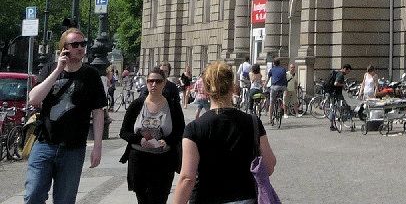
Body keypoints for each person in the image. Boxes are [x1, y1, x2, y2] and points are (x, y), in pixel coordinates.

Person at [172, 61, 276, 204]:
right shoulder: (252, 122)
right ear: (232, 87)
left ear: (207, 90)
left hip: (206, 198)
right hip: (245, 197)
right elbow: (269, 166)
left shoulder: (194, 128)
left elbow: (187, 179)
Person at [24, 27, 107, 204]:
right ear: (64, 48)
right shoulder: (50, 69)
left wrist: (98, 146)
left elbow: (98, 112)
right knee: (33, 195)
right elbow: (34, 99)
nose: (80, 48)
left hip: (73, 148)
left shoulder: (91, 75)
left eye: (83, 44)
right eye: (75, 44)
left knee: (65, 200)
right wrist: (58, 70)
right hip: (45, 143)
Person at [119, 67, 185, 204]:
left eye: (158, 81)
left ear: (164, 83)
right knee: (143, 200)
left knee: (159, 199)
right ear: (146, 82)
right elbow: (124, 132)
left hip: (164, 161)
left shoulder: (172, 105)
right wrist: (140, 139)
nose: (154, 84)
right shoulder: (137, 104)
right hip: (139, 159)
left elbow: (180, 131)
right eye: (150, 81)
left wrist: (166, 141)